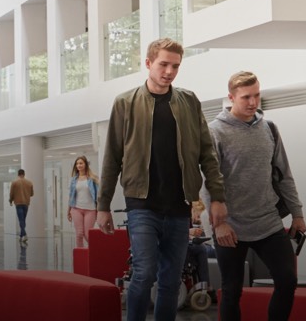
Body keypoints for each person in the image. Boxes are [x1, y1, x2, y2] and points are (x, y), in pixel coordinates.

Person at [95, 38, 228, 321]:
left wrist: (217, 197)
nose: (169, 71)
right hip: (142, 204)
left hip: (180, 205)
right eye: (163, 64)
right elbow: (112, 158)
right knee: (144, 273)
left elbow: (207, 153)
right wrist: (103, 205)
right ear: (148, 63)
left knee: (171, 280)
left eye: (175, 66)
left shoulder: (189, 101)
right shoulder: (125, 103)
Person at [207, 71, 304, 321]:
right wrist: (219, 224)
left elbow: (284, 174)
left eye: (257, 95)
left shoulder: (269, 128)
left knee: (287, 280)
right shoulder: (215, 132)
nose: (252, 102)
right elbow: (208, 182)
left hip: (268, 221)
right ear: (231, 97)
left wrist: (297, 214)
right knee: (231, 290)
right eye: (246, 97)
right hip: (231, 226)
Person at [65, 156, 99, 248]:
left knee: (87, 234)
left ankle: (95, 252)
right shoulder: (73, 180)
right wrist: (68, 211)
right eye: (77, 164)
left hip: (90, 210)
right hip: (76, 209)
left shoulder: (93, 178)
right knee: (79, 234)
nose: (78, 165)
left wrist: (100, 210)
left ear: (85, 164)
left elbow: (98, 196)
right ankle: (81, 257)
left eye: (81, 163)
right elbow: (71, 197)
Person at [9, 169, 34, 243]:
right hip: (26, 203)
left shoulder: (14, 183)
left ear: (18, 174)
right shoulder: (29, 183)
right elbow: (32, 194)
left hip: (18, 203)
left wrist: (11, 200)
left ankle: (25, 235)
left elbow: (11, 194)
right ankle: (21, 236)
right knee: (23, 220)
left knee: (21, 220)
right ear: (24, 174)